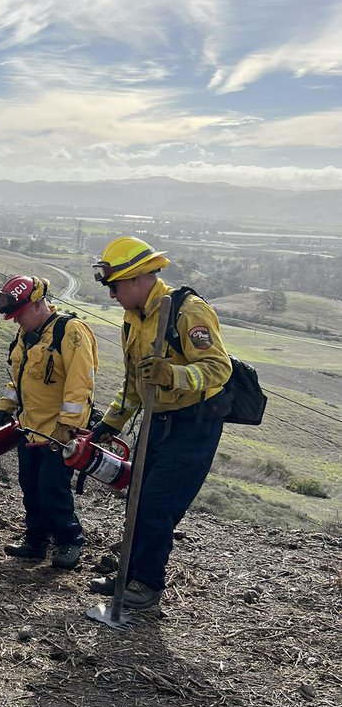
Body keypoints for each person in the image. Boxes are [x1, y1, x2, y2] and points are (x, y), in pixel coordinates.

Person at [88, 236, 232, 610]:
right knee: (135, 497)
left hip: (193, 425)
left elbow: (219, 369)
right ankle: (129, 572)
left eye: (115, 286)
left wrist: (174, 375)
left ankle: (146, 585)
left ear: (137, 279)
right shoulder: (132, 318)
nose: (112, 295)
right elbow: (136, 381)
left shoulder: (187, 312)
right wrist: (111, 424)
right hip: (158, 419)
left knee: (155, 504)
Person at [0, 275, 98, 569]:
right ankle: (36, 541)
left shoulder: (70, 331)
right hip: (30, 428)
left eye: (19, 314)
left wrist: (69, 426)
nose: (16, 321)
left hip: (60, 432)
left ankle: (69, 541)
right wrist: (5, 407)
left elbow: (81, 383)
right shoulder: (25, 335)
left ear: (38, 304)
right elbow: (19, 377)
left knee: (52, 487)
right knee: (30, 485)